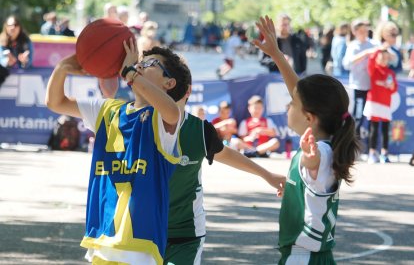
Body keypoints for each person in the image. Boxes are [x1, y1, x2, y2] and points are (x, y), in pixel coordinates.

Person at [45, 42, 191, 264]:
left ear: (169, 83)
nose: (140, 65)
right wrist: (63, 67)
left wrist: (130, 73)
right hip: (102, 240)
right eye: (140, 62)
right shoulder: (108, 110)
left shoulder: (164, 119)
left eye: (151, 63)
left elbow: (171, 110)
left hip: (140, 246)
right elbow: (55, 102)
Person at [253, 15, 360, 264]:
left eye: (292, 104)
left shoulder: (318, 153)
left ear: (309, 117)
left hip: (303, 257)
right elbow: (300, 92)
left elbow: (317, 163)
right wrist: (277, 56)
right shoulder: (327, 140)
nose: (288, 105)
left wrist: (312, 163)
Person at [164, 85, 285, 265]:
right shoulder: (142, 124)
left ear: (185, 90)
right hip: (146, 228)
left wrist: (266, 174)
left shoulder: (199, 129)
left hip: (185, 232)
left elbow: (226, 154)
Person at [342, 19, 376, 139]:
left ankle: (369, 147)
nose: (364, 33)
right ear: (355, 32)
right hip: (358, 87)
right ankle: (354, 145)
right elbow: (346, 64)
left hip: (372, 87)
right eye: (361, 31)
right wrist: (365, 54)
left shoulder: (373, 44)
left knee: (373, 117)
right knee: (358, 116)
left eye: (365, 31)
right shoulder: (352, 46)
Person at [363, 49, 398, 164]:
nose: (384, 60)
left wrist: (392, 86)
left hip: (385, 105)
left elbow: (394, 89)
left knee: (385, 130)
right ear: (377, 58)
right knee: (373, 129)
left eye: (386, 58)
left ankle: (384, 154)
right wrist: (378, 49)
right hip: (373, 103)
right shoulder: (374, 70)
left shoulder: (390, 73)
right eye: (381, 57)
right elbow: (370, 62)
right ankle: (372, 154)